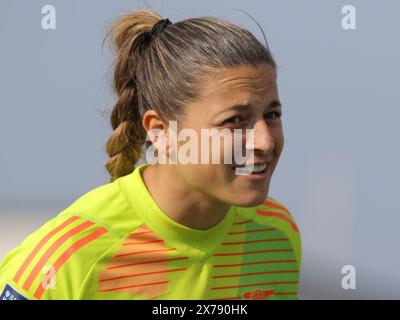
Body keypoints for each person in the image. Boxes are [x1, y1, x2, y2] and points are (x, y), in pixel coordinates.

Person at [0, 9, 301, 300]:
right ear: (160, 131)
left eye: (272, 115)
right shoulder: (68, 258)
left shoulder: (276, 235)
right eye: (235, 120)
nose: (265, 141)